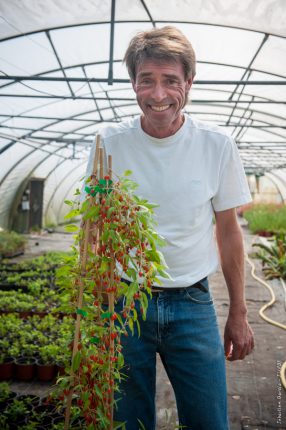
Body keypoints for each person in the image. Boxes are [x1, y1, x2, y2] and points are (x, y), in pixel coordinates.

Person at [85, 26, 254, 430]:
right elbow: (94, 223)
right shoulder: (110, 141)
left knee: (209, 421)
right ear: (133, 83)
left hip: (192, 305)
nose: (158, 95)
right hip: (124, 304)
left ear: (189, 83)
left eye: (170, 81)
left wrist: (239, 312)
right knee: (127, 421)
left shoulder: (216, 144)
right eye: (147, 80)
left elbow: (229, 231)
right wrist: (95, 298)